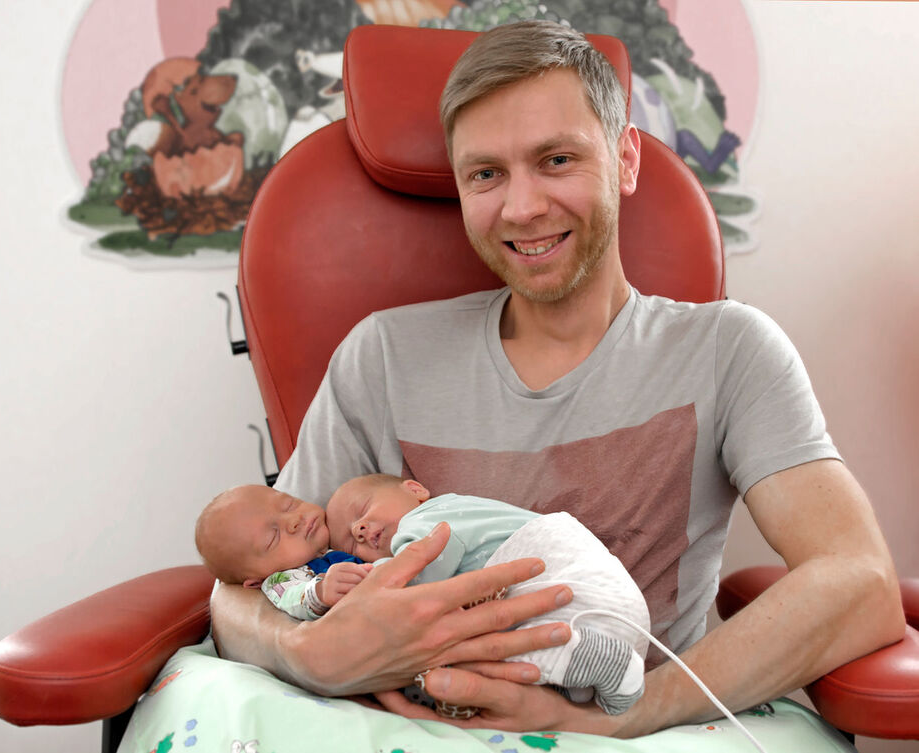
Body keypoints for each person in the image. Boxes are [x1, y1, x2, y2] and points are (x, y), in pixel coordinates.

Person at [211, 19, 905, 737]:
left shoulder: (730, 349)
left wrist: (630, 714)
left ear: (625, 159)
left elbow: (859, 581)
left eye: (556, 159)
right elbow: (236, 595)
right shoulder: (380, 357)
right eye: (486, 174)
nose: (522, 207)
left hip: (641, 727)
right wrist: (315, 651)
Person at [327, 473, 651, 715]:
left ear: (415, 491)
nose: (359, 529)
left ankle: (600, 663)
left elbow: (415, 574)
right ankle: (593, 672)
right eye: (350, 544)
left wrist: (364, 582)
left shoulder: (426, 519)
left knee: (471, 662)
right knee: (519, 671)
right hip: (603, 601)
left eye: (363, 509)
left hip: (557, 568)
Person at [194, 484, 372, 620]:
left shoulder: (336, 524)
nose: (294, 520)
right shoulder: (281, 580)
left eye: (289, 505)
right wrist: (320, 591)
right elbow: (296, 598)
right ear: (256, 582)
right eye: (273, 537)